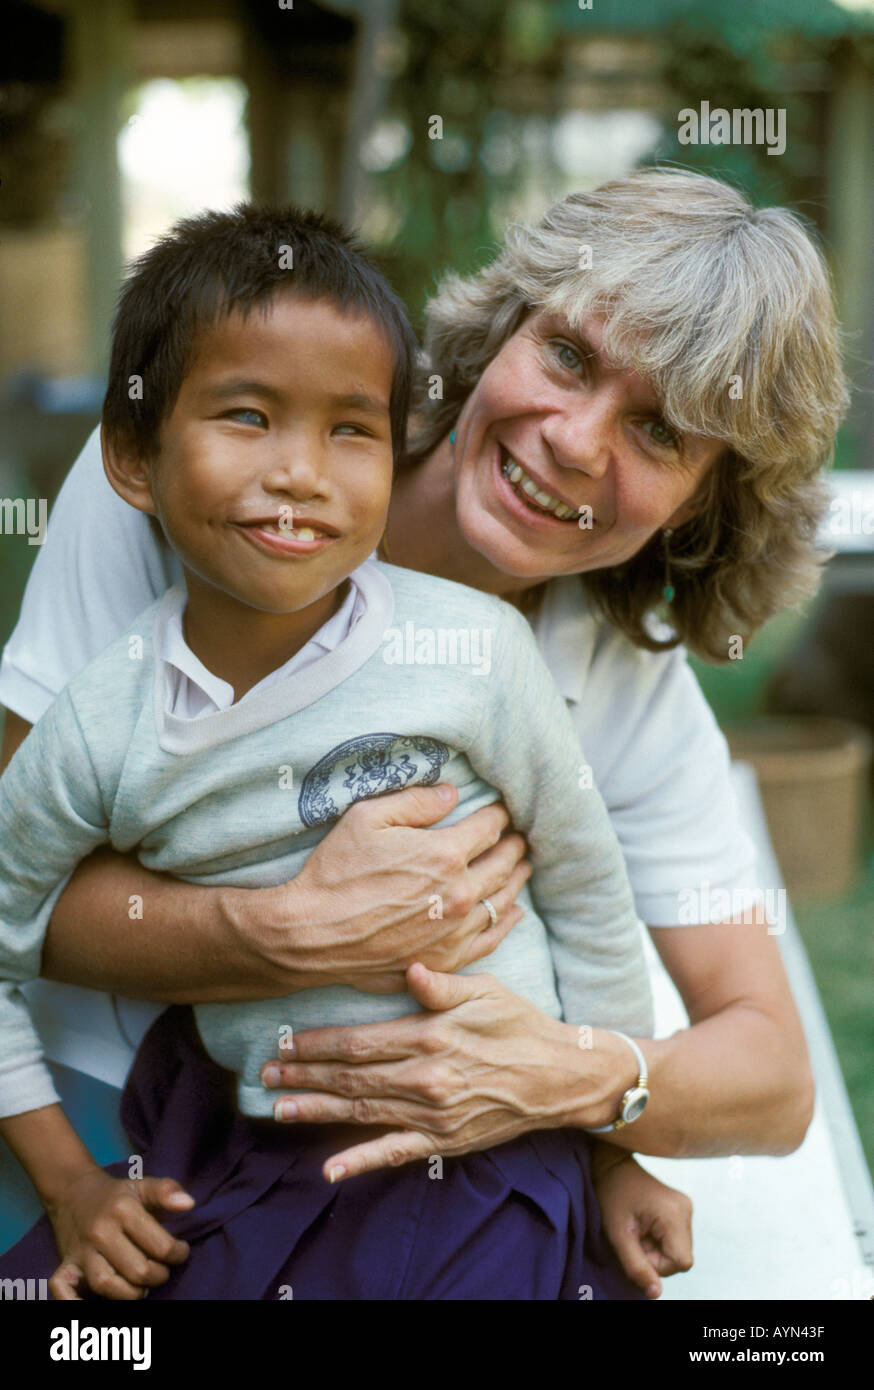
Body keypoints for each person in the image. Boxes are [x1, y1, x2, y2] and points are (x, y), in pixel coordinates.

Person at [0, 168, 849, 1291]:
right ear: (498, 333)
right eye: (569, 357)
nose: (573, 441)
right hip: (102, 1091)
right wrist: (282, 932)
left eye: (657, 430)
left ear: (704, 501)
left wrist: (581, 1089)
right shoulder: (202, 477)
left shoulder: (617, 684)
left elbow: (774, 1074)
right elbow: (17, 875)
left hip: (439, 1167)